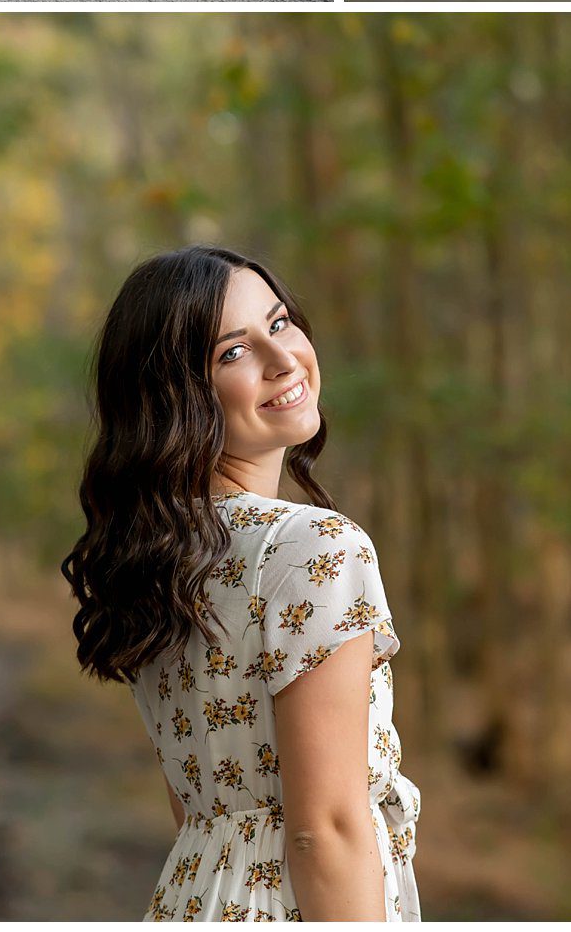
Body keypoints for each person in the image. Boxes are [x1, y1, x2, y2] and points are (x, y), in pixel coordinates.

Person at [61, 247, 420, 920]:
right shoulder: (317, 548)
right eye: (232, 352)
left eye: (279, 322)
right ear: (176, 394)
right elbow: (329, 830)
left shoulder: (163, 561)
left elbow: (198, 807)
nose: (281, 357)